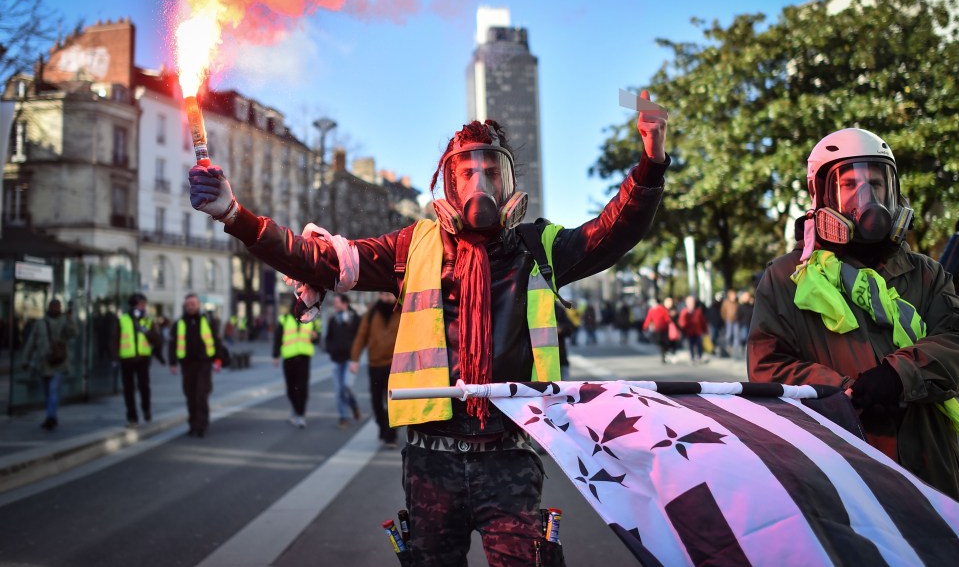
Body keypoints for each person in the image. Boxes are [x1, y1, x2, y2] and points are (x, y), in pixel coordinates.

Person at [188, 92, 668, 565]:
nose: (480, 181)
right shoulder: (411, 247)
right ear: (450, 185)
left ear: (507, 182)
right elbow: (317, 259)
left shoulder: (537, 246)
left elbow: (612, 232)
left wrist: (650, 163)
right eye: (467, 172)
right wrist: (235, 215)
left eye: (490, 170)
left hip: (510, 458)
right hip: (431, 462)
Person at [748, 128, 959, 500]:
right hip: (841, 472)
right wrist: (843, 393)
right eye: (850, 184)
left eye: (876, 184)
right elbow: (768, 367)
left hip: (933, 472)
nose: (867, 198)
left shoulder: (928, 273)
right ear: (821, 194)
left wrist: (898, 375)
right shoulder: (786, 277)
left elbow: (954, 339)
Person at [350, 291, 401, 446]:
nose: (386, 299)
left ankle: (390, 435)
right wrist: (355, 359)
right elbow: (361, 335)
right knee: (376, 401)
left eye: (389, 295)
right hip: (375, 364)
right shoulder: (372, 313)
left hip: (395, 365)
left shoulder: (402, 311)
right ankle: (382, 425)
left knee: (393, 402)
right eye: (383, 295)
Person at [169, 293, 223, 437]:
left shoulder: (207, 321)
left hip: (204, 363)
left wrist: (218, 359)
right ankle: (193, 424)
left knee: (201, 395)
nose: (191, 306)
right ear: (185, 306)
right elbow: (172, 344)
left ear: (198, 305)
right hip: (187, 364)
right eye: (188, 304)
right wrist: (172, 362)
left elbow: (217, 341)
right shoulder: (179, 323)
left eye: (193, 303)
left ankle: (201, 425)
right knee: (190, 395)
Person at [20, 299, 78, 431]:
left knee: (53, 389)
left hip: (59, 363)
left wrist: (70, 319)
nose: (55, 309)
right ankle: (52, 415)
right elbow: (31, 343)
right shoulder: (40, 324)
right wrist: (25, 359)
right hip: (44, 363)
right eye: (53, 306)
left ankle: (50, 417)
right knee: (47, 392)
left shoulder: (64, 321)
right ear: (49, 307)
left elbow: (74, 333)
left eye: (58, 307)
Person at [117, 293, 162, 428]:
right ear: (133, 305)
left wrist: (145, 331)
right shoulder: (123, 319)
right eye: (140, 305)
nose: (143, 308)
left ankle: (146, 409)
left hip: (143, 359)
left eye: (144, 305)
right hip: (127, 359)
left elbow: (157, 340)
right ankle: (132, 416)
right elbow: (114, 339)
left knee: (144, 387)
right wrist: (114, 357)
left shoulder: (148, 321)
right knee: (128, 389)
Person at [273, 296, 320, 428]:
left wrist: (316, 337)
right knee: (290, 388)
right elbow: (277, 338)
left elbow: (317, 338)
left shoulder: (310, 320)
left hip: (304, 357)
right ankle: (296, 409)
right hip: (289, 357)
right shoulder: (284, 319)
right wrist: (275, 355)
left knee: (302, 387)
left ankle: (300, 414)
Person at [325, 293, 362, 429]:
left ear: (345, 303)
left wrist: (356, 358)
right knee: (338, 390)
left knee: (346, 386)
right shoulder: (333, 319)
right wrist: (331, 349)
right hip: (336, 359)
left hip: (350, 360)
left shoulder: (355, 318)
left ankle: (353, 405)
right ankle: (343, 417)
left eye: (337, 303)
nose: (335, 305)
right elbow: (328, 337)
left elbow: (360, 338)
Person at [678, 295, 708, 365]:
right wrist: (683, 329)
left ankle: (700, 357)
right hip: (689, 332)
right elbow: (681, 322)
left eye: (692, 302)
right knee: (690, 345)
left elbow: (702, 321)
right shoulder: (684, 312)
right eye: (689, 302)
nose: (691, 304)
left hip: (697, 331)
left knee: (699, 344)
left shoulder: (698, 311)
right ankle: (692, 358)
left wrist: (705, 330)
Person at [555, 299, 575, 381]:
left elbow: (569, 327)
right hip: (537, 361)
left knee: (564, 386)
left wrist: (561, 329)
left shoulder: (557, 309)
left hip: (560, 357)